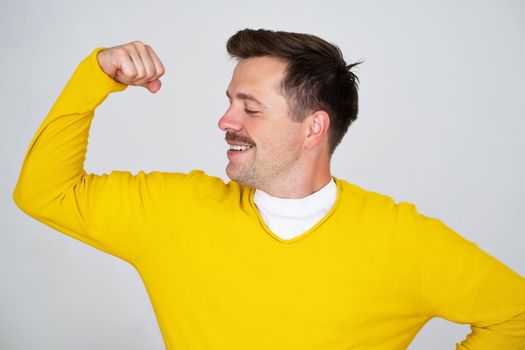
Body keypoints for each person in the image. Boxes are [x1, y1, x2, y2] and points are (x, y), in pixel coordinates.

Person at [13, 29, 525, 349]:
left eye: (250, 108)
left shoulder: (406, 241)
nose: (225, 120)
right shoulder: (172, 212)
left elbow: (515, 315)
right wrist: (94, 76)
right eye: (230, 101)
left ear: (312, 129)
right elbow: (44, 193)